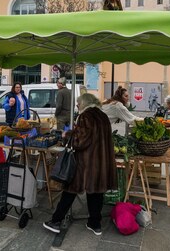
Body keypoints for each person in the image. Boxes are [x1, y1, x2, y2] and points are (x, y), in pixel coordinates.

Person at [43, 93, 117, 236]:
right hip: (100, 162)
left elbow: (80, 141)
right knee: (96, 192)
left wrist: (68, 135)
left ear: (85, 103)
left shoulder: (85, 116)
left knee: (70, 190)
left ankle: (56, 221)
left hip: (85, 162)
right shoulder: (102, 116)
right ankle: (95, 224)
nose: (77, 105)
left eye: (78, 103)